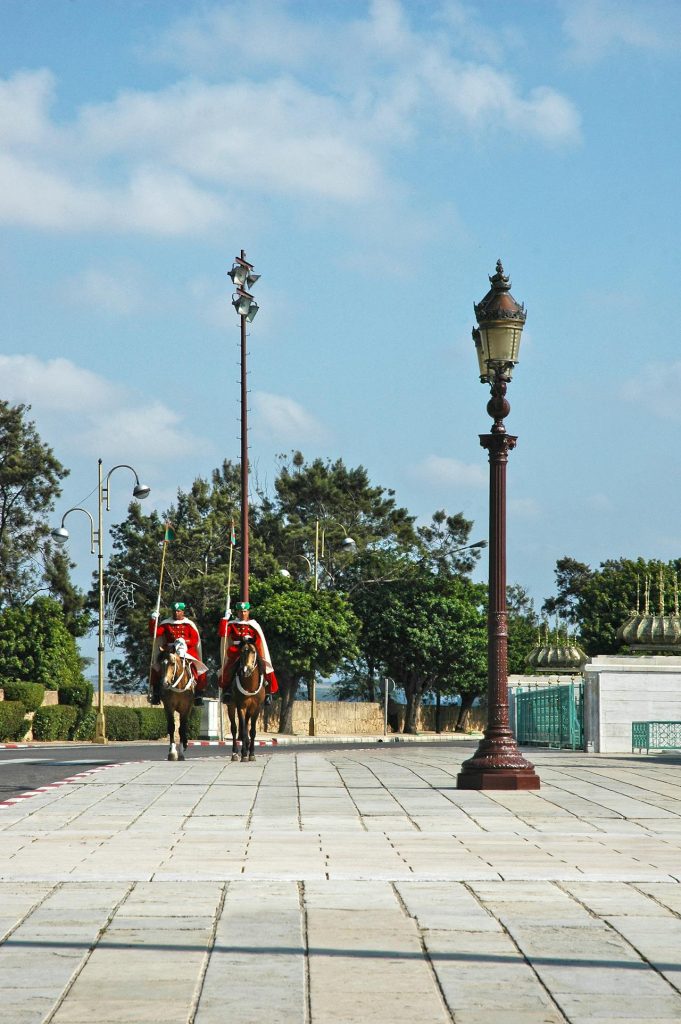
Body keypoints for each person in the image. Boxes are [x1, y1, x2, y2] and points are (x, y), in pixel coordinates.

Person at [218, 601, 279, 704]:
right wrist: (225, 620)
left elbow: (259, 639)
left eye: (245, 611)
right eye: (241, 611)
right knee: (229, 668)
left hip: (251, 649)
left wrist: (251, 640)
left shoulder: (253, 624)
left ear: (248, 612)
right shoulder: (232, 624)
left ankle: (268, 692)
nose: (243, 614)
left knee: (263, 665)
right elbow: (222, 633)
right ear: (237, 612)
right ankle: (227, 690)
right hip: (237, 650)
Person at [149, 601, 208, 705]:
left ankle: (198, 694)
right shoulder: (166, 624)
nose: (176, 613)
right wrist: (153, 620)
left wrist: (184, 641)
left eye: (178, 611)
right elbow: (155, 633)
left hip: (186, 649)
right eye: (174, 611)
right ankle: (156, 693)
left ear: (183, 612)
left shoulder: (189, 624)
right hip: (170, 650)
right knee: (157, 666)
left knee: (199, 669)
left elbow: (194, 640)